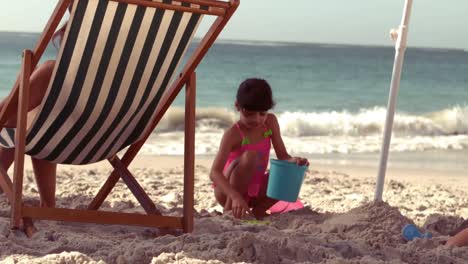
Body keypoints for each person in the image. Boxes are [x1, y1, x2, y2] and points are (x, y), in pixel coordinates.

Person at [210, 78, 309, 219]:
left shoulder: (270, 122)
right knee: (250, 155)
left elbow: (283, 156)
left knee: (295, 170)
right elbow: (214, 172)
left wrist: (295, 161)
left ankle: (258, 211)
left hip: (255, 190)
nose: (256, 119)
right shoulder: (233, 134)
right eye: (249, 114)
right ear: (237, 106)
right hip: (228, 192)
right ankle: (229, 211)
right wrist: (235, 196)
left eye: (262, 113)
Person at [0, 13, 70, 208]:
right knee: (37, 107)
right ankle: (47, 202)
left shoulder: (53, 71)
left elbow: (6, 112)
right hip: (116, 136)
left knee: (35, 76)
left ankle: (1, 176)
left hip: (59, 132)